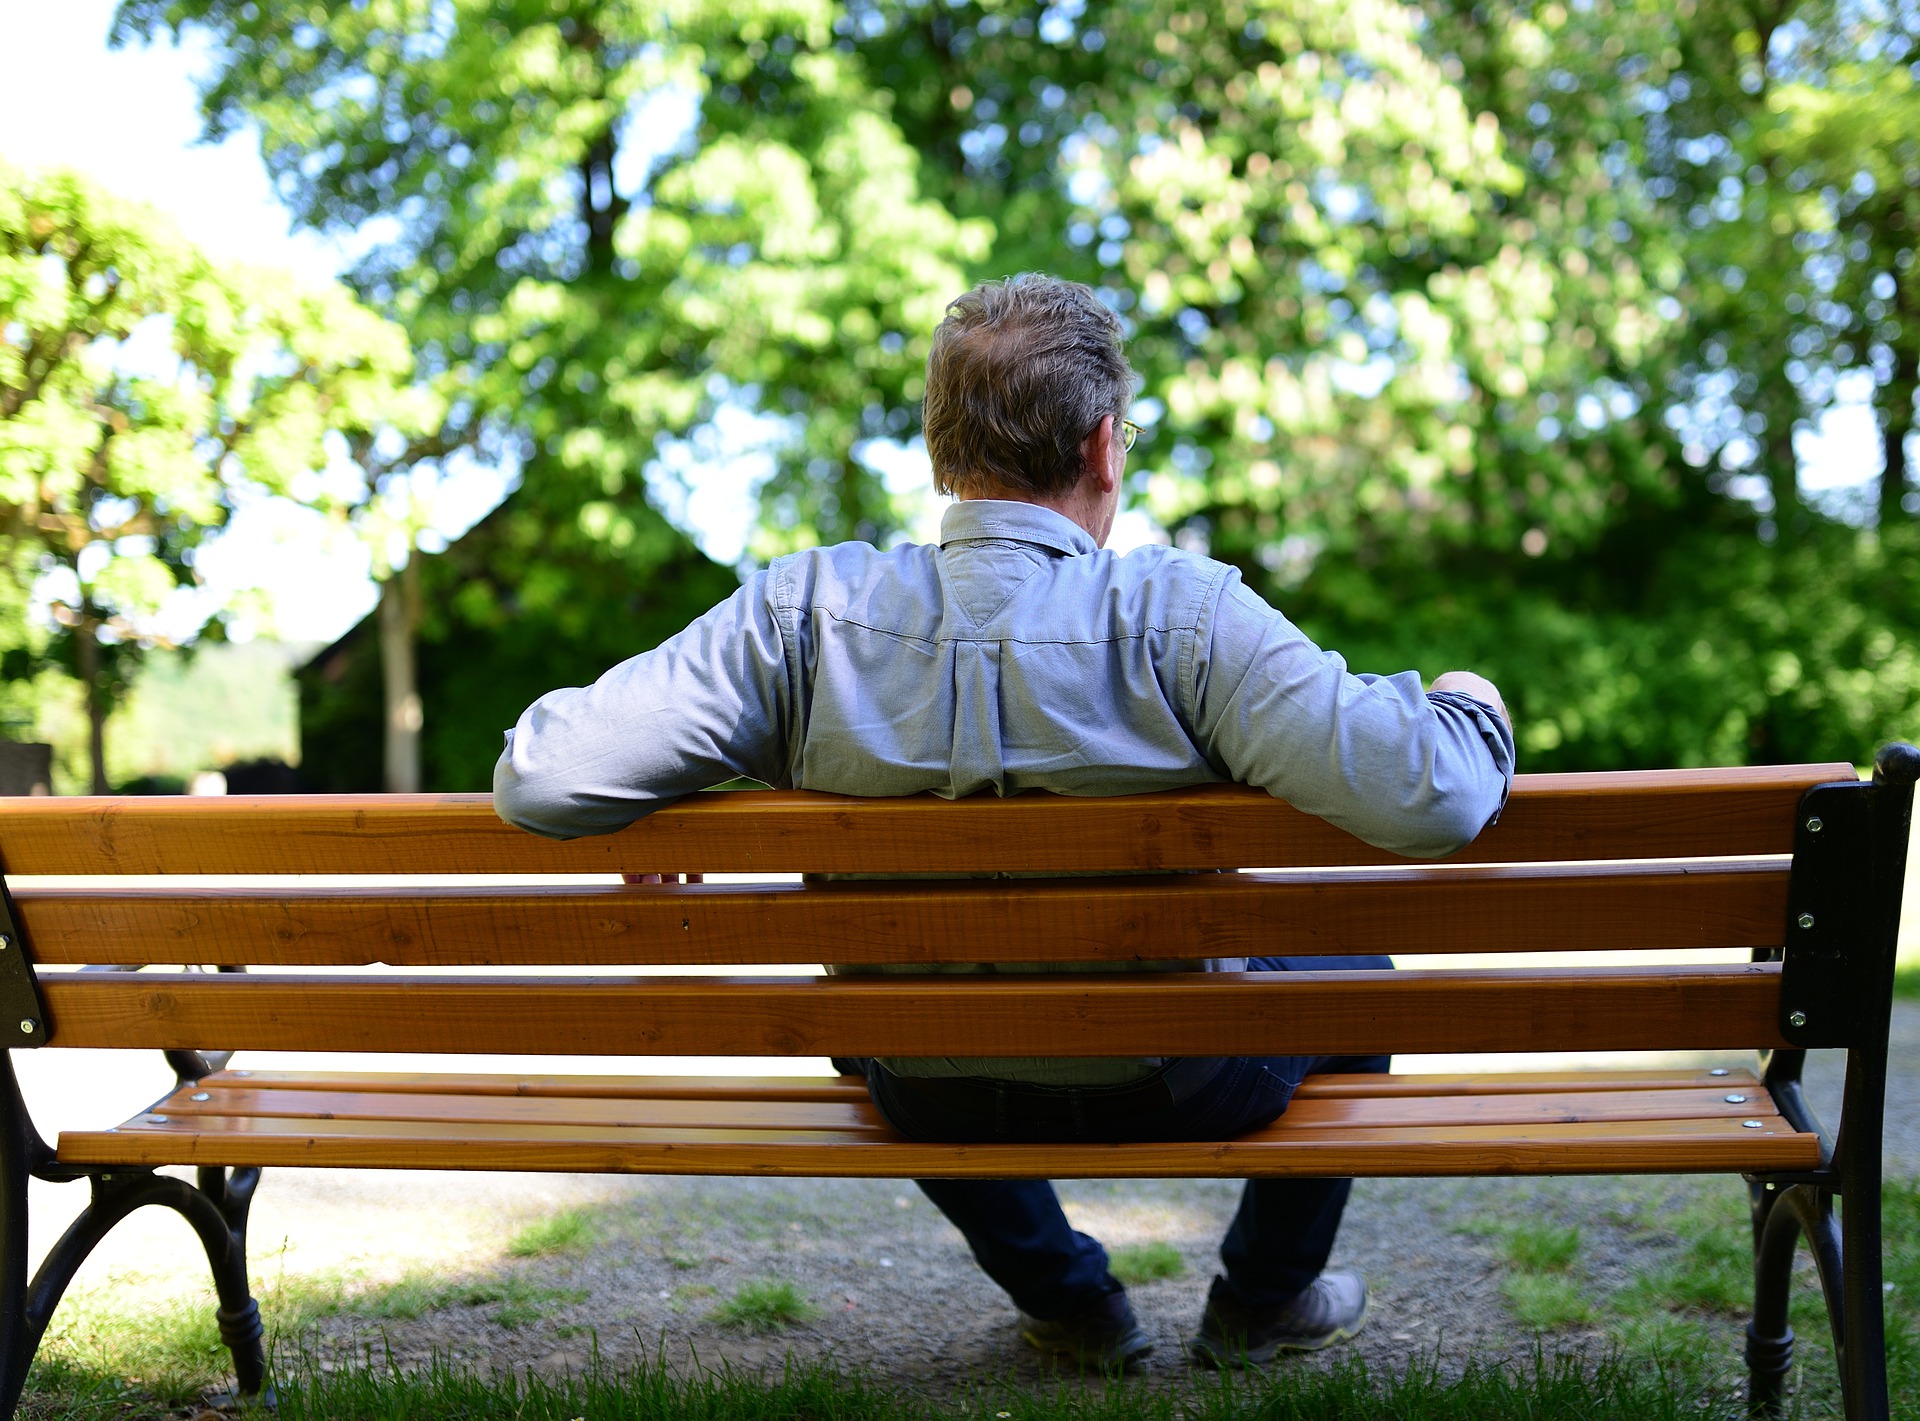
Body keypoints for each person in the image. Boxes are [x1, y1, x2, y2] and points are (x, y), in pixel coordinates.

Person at [494, 274, 1515, 1370]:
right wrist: (1472, 701)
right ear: (1104, 448)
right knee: (1357, 969)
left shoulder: (801, 617)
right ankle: (1263, 1299)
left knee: (897, 1012)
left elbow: (545, 775)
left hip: (924, 1084)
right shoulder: (1183, 614)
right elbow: (1435, 792)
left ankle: (1073, 1302)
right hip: (1179, 1076)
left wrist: (696, 781)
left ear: (942, 454)